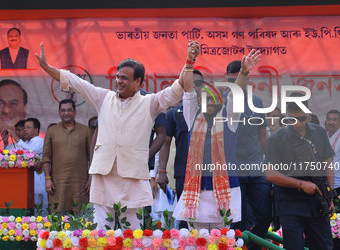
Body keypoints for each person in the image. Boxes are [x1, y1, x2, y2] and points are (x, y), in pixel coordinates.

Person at [36, 41, 189, 230]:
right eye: (117, 77)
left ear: (138, 82)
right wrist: (47, 67)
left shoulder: (150, 102)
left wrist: (189, 62)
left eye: (124, 78)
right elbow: (75, 82)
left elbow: (177, 88)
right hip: (104, 175)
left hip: (132, 176)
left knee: (132, 233)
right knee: (102, 231)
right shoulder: (103, 97)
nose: (119, 81)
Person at [173, 42, 261, 230]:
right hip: (196, 191)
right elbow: (188, 91)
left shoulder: (229, 120)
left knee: (222, 240)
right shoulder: (192, 118)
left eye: (214, 99)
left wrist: (244, 73)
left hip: (225, 190)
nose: (209, 102)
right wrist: (189, 61)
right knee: (198, 242)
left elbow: (236, 95)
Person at [265, 91, 334, 250]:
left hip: (317, 201)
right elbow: (270, 174)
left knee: (324, 248)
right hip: (290, 204)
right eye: (291, 119)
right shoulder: (276, 139)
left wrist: (328, 195)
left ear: (309, 115)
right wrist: (301, 184)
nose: (296, 123)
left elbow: (328, 165)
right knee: (294, 249)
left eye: (301, 118)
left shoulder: (319, 132)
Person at [226, 60, 271, 250]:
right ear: (227, 78)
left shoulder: (257, 102)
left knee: (265, 213)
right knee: (239, 218)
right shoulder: (223, 101)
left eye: (241, 75)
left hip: (256, 167)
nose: (238, 80)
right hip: (233, 170)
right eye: (234, 76)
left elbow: (262, 134)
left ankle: (251, 249)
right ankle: (238, 249)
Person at [158, 69, 204, 229]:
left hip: (210, 173)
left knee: (209, 214)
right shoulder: (173, 113)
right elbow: (165, 143)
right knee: (186, 217)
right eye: (190, 84)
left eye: (197, 84)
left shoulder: (213, 110)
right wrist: (162, 172)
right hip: (184, 172)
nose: (194, 87)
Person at [41, 99, 92, 213]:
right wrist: (47, 178)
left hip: (80, 182)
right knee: (57, 213)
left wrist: (91, 177)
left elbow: (92, 156)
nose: (66, 113)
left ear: (74, 112)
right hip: (57, 182)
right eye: (63, 110)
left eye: (69, 110)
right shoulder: (52, 131)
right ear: (59, 112)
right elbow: (46, 157)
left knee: (81, 215)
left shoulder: (85, 130)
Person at [5, 118, 47, 214]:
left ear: (36, 130)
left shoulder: (39, 141)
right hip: (27, 182)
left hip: (37, 182)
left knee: (38, 212)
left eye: (28, 128)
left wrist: (17, 138)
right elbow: (12, 153)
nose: (25, 130)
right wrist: (6, 142)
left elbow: (31, 152)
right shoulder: (27, 142)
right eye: (24, 128)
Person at [326, 110, 340, 189]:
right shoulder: (324, 136)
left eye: (334, 120)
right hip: (326, 182)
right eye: (328, 119)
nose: (331, 122)